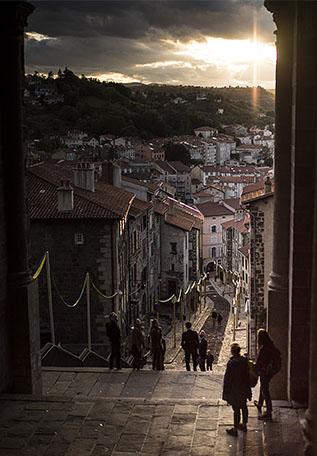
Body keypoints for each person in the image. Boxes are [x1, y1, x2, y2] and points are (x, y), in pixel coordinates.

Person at [223, 342, 252, 436]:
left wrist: (226, 394)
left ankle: (235, 428)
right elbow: (247, 376)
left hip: (234, 390)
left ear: (232, 352)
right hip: (243, 388)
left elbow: (227, 379)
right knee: (244, 406)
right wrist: (249, 390)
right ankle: (244, 424)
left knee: (236, 409)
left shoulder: (231, 363)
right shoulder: (244, 361)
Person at [254, 329, 278, 421]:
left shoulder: (264, 348)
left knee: (265, 390)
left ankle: (269, 411)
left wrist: (254, 367)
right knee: (263, 387)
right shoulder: (270, 345)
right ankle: (260, 404)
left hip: (265, 372)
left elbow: (259, 362)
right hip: (269, 371)